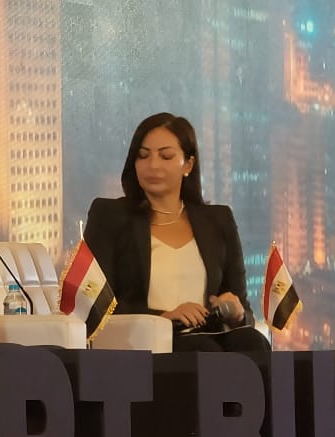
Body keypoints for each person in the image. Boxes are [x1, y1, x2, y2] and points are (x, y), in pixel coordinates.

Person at [83, 112, 270, 352]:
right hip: (146, 345)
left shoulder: (219, 220)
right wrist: (164, 317)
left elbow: (244, 310)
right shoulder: (109, 216)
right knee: (205, 351)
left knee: (254, 342)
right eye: (143, 155)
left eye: (166, 156)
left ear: (188, 164)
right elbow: (95, 304)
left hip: (208, 337)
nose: (153, 165)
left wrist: (236, 313)